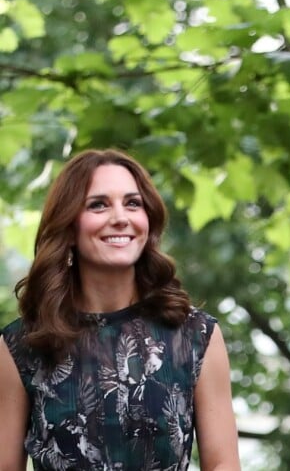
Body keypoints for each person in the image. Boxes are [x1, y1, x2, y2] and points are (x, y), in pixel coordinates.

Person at [0, 148, 241, 471]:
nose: (120, 217)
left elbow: (223, 465)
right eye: (98, 204)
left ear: (148, 221)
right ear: (69, 227)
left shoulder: (196, 336)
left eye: (133, 203)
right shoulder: (21, 346)